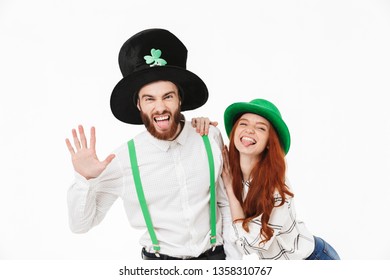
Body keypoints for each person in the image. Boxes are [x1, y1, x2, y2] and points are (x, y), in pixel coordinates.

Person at [65, 28, 241, 260]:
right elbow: (81, 225)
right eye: (149, 99)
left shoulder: (209, 137)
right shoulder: (123, 160)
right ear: (138, 105)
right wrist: (84, 180)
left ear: (180, 98)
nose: (160, 107)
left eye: (167, 96)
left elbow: (224, 202)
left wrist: (233, 260)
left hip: (216, 257)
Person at [220, 98, 340, 260]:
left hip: (312, 259)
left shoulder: (275, 185)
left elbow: (250, 245)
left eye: (261, 128)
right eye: (243, 124)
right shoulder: (230, 171)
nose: (249, 130)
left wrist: (230, 191)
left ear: (270, 142)